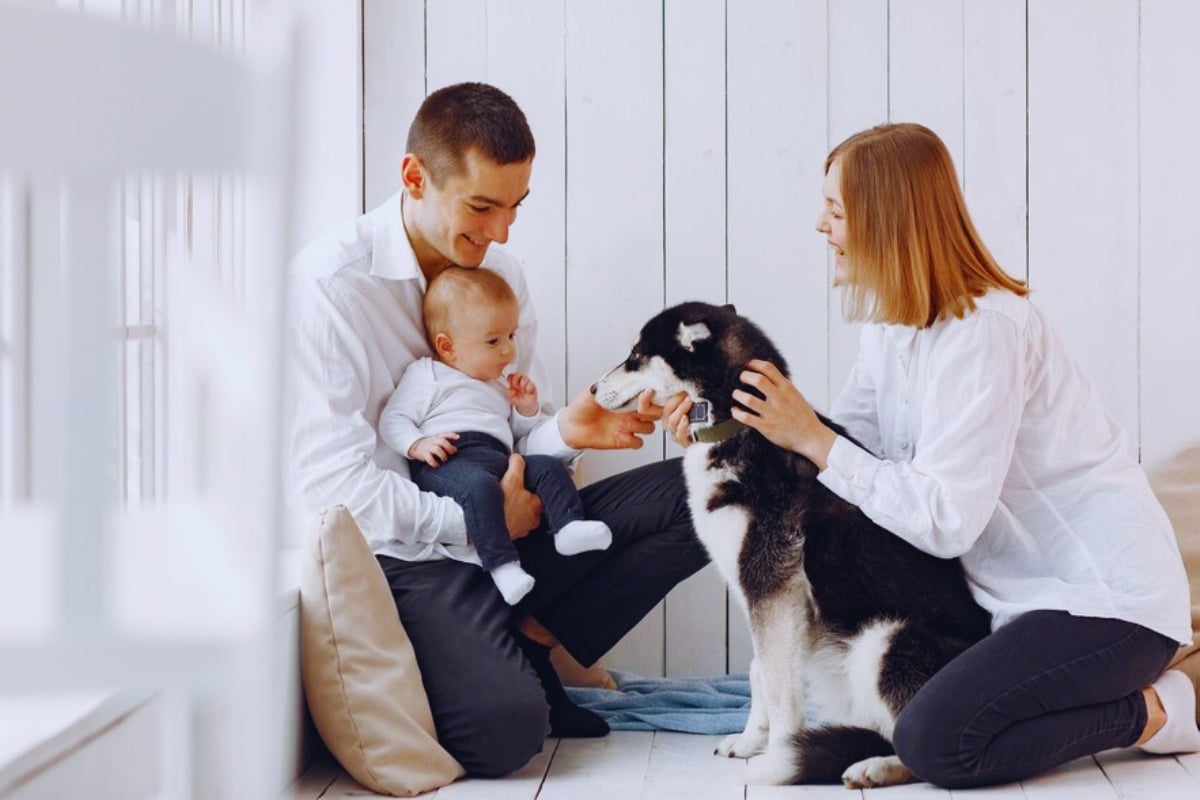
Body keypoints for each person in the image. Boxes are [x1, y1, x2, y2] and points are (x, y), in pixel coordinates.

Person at [661, 122, 1199, 789]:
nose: (818, 225)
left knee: (938, 743)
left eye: (835, 210)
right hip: (1006, 604)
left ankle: (1157, 711)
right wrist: (721, 426)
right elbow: (849, 450)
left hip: (1102, 604)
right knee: (926, 721)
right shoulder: (896, 322)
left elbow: (944, 519)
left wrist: (813, 438)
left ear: (886, 219)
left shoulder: (987, 331)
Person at [286, 81, 708, 777]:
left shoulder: (499, 273)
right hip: (413, 555)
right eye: (482, 207)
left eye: (515, 207)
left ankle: (533, 634)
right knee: (506, 734)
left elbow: (508, 439)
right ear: (414, 177)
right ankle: (503, 651)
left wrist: (568, 432)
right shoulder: (330, 291)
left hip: (507, 525)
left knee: (718, 491)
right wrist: (479, 523)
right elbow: (335, 490)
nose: (502, 233)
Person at [378, 266, 613, 606]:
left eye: (511, 336)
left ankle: (568, 527)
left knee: (548, 466)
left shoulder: (499, 384)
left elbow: (517, 437)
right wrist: (417, 444)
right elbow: (393, 419)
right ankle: (502, 565)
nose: (508, 352)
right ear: (447, 346)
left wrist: (525, 408)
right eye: (493, 340)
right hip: (448, 461)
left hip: (498, 458)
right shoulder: (428, 375)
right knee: (480, 488)